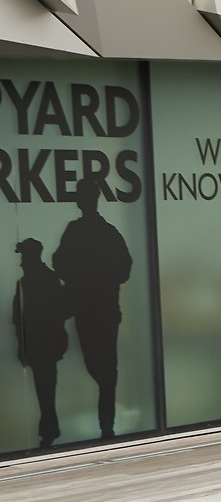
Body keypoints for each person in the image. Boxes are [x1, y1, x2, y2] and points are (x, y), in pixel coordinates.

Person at [52, 180, 133, 439]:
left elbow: (123, 269)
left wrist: (87, 278)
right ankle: (106, 422)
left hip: (95, 308)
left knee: (102, 365)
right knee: (101, 364)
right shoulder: (99, 231)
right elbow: (60, 263)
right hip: (96, 308)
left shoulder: (93, 231)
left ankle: (106, 423)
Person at [13, 238, 71, 449]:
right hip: (44, 343)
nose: (21, 262)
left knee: (45, 387)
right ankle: (49, 428)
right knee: (45, 386)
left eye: (23, 256)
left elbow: (20, 317)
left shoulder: (37, 281)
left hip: (43, 343)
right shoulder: (42, 279)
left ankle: (49, 429)